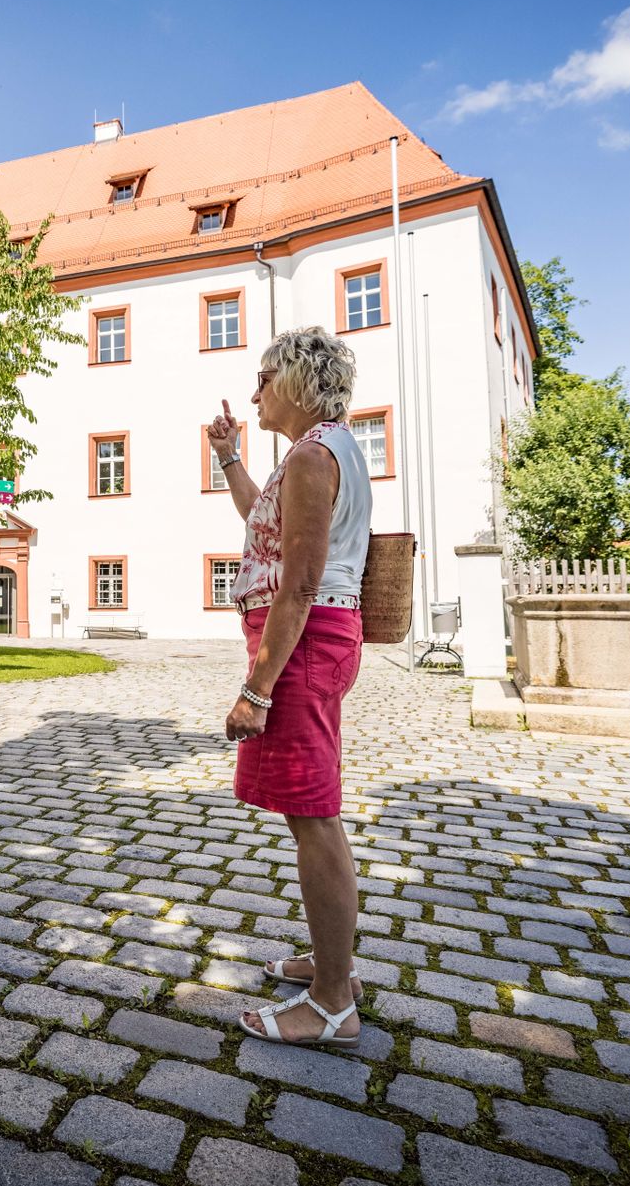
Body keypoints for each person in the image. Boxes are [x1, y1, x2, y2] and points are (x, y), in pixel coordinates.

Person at [206, 327, 371, 1048]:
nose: (255, 392)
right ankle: (332, 963)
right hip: (315, 639)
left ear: (299, 382)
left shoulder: (311, 455)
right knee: (313, 812)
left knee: (313, 815)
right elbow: (261, 523)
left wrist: (258, 688)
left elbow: (299, 582)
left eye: (265, 377)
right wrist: (230, 457)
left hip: (302, 644)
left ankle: (333, 1001)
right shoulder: (323, 449)